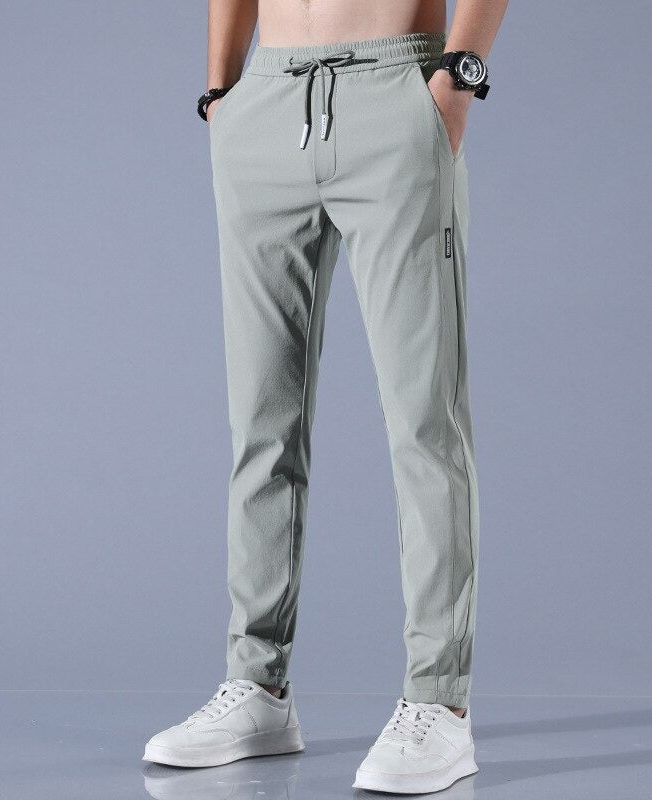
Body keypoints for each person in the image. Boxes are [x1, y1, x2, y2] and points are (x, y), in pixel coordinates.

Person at [144, 0, 508, 793]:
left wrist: (456, 78)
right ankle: (257, 686)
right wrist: (222, 94)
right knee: (261, 423)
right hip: (265, 102)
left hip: (396, 90)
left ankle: (439, 702)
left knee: (425, 421)